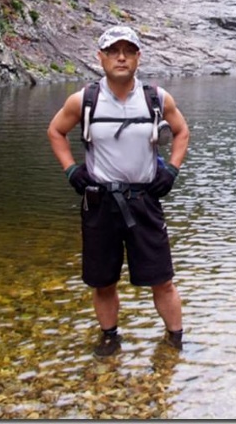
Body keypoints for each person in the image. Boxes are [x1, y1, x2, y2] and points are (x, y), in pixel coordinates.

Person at [47, 25, 190, 357]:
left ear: (139, 57)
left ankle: (175, 341)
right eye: (113, 51)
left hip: (145, 201)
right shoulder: (84, 100)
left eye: (128, 51)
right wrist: (71, 170)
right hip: (99, 202)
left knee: (163, 280)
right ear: (100, 58)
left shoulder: (157, 98)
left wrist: (171, 170)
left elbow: (181, 132)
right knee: (103, 281)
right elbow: (55, 131)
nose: (121, 57)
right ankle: (110, 339)